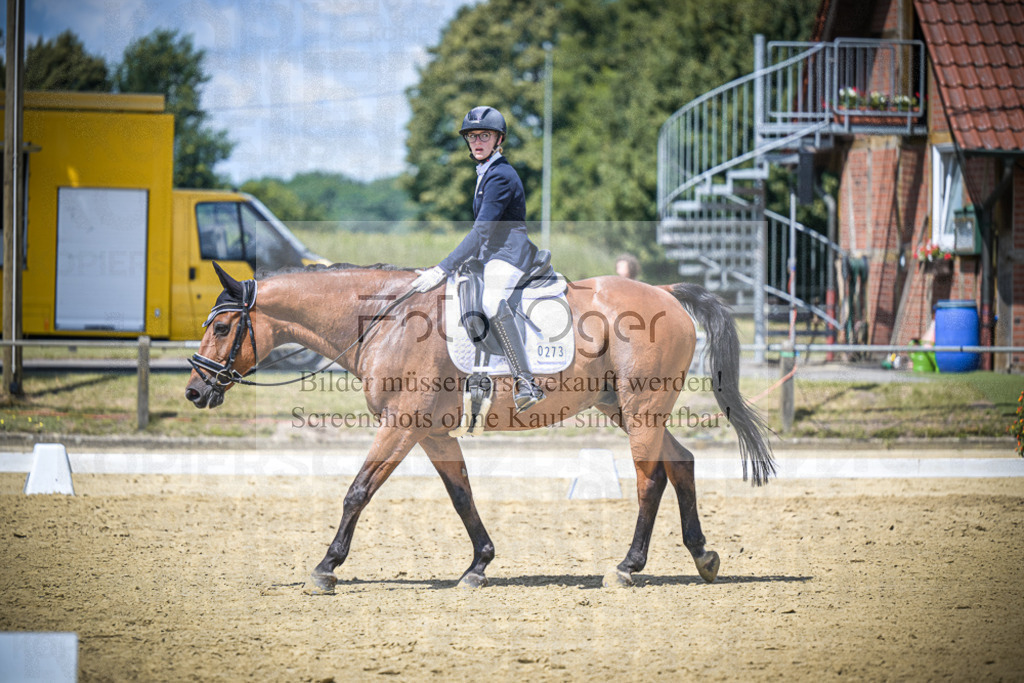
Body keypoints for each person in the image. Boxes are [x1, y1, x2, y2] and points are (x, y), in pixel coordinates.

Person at [410, 106, 545, 412]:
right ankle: (478, 373)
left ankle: (526, 382)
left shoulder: (501, 175)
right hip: (490, 255)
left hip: (509, 253)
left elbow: (482, 230)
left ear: (499, 139)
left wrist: (442, 267)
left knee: (492, 299)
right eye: (472, 136)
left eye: (485, 135)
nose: (477, 141)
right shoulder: (486, 172)